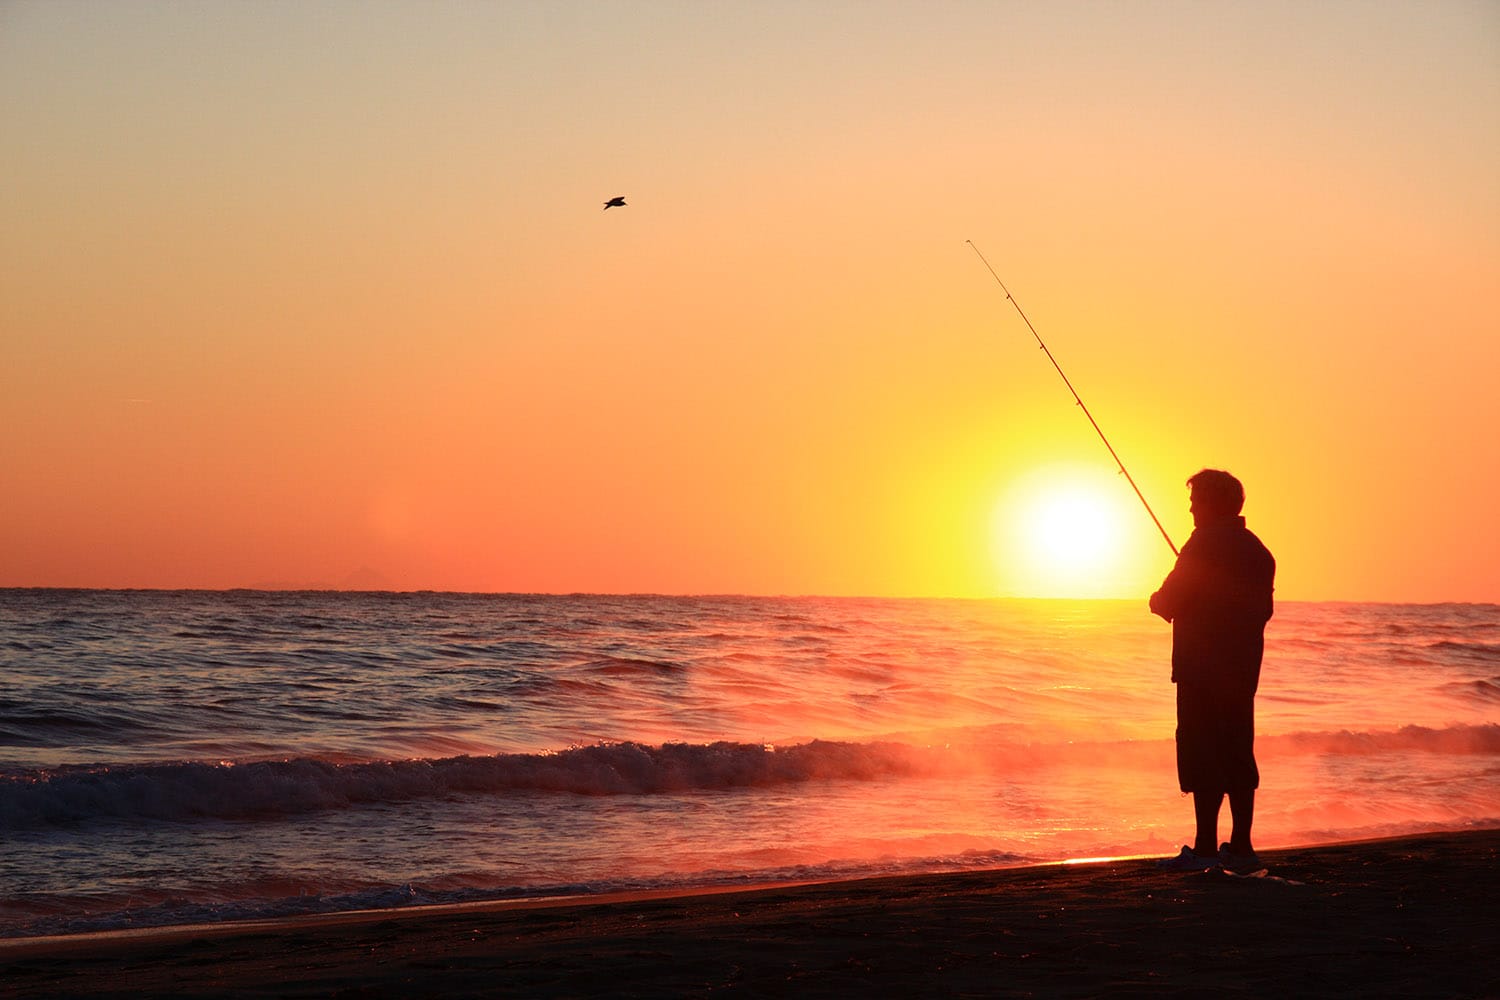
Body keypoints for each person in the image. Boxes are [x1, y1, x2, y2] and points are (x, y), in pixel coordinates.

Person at [1149, 469, 1275, 873]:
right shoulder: (1259, 552)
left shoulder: (1200, 545)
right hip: (1242, 673)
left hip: (1200, 669)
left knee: (1203, 753)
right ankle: (1241, 847)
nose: (1189, 508)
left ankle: (1204, 849)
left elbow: (1167, 601)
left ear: (1212, 503)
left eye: (1195, 500)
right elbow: (1262, 613)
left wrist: (1156, 599)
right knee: (1238, 753)